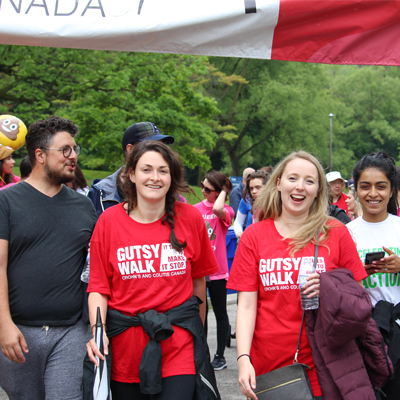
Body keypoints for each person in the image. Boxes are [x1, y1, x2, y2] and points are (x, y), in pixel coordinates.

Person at [227, 151, 367, 400]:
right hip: (270, 366)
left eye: (309, 181)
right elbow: (246, 305)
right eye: (293, 178)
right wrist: (243, 359)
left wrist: (328, 288)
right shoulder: (254, 236)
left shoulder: (336, 232)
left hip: (327, 361)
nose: (300, 187)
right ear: (279, 182)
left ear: (318, 190)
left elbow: (358, 299)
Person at [86, 141, 220, 399]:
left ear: (172, 177)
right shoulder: (108, 221)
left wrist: (197, 332)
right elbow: (98, 288)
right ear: (131, 174)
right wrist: (97, 332)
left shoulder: (190, 218)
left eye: (163, 171)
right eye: (147, 169)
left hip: (178, 345)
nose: (155, 178)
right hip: (125, 349)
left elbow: (199, 282)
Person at [0, 115, 97, 400]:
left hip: (71, 331)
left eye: (75, 149)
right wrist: (4, 324)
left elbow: (94, 267)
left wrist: (94, 327)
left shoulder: (84, 206)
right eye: (65, 150)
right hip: (18, 333)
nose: (73, 157)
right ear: (40, 155)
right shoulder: (6, 201)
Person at [347, 151, 400, 399]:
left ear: (391, 191)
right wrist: (355, 273)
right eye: (365, 186)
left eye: (381, 186)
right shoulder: (345, 234)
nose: (373, 193)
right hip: (363, 334)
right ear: (356, 190)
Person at [88, 122, 174, 217]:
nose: (157, 152)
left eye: (160, 147)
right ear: (130, 149)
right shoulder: (100, 194)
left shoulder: (166, 189)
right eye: (150, 147)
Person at [194, 172, 234, 370]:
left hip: (218, 271)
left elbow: (217, 208)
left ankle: (220, 356)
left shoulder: (226, 210)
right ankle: (203, 353)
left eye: (208, 189)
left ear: (219, 192)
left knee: (220, 312)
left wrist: (224, 192)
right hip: (199, 271)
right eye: (202, 185)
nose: (202, 191)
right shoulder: (194, 209)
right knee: (202, 314)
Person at [234, 170, 269, 238]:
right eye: (251, 188)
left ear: (267, 186)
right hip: (250, 240)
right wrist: (239, 233)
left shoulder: (275, 203)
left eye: (258, 187)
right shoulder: (247, 199)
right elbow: (238, 222)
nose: (254, 191)